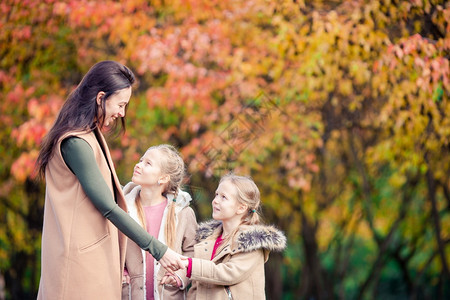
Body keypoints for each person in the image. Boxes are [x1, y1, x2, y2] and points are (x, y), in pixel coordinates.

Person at [36, 61, 186, 300]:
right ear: (100, 97)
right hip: (78, 266)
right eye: (121, 104)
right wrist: (159, 250)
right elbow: (108, 207)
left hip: (91, 260)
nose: (122, 113)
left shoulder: (89, 136)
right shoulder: (76, 143)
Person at [161, 173, 287, 300]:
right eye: (216, 195)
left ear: (241, 207)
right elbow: (198, 272)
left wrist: (189, 265)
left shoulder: (251, 243)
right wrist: (178, 276)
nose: (215, 200)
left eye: (223, 197)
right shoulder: (207, 239)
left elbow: (228, 273)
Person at [121, 144, 198, 300]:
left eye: (147, 163)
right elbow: (111, 247)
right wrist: (121, 273)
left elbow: (193, 252)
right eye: (141, 160)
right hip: (129, 294)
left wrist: (179, 276)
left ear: (163, 178)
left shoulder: (183, 213)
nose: (138, 165)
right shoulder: (121, 210)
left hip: (169, 294)